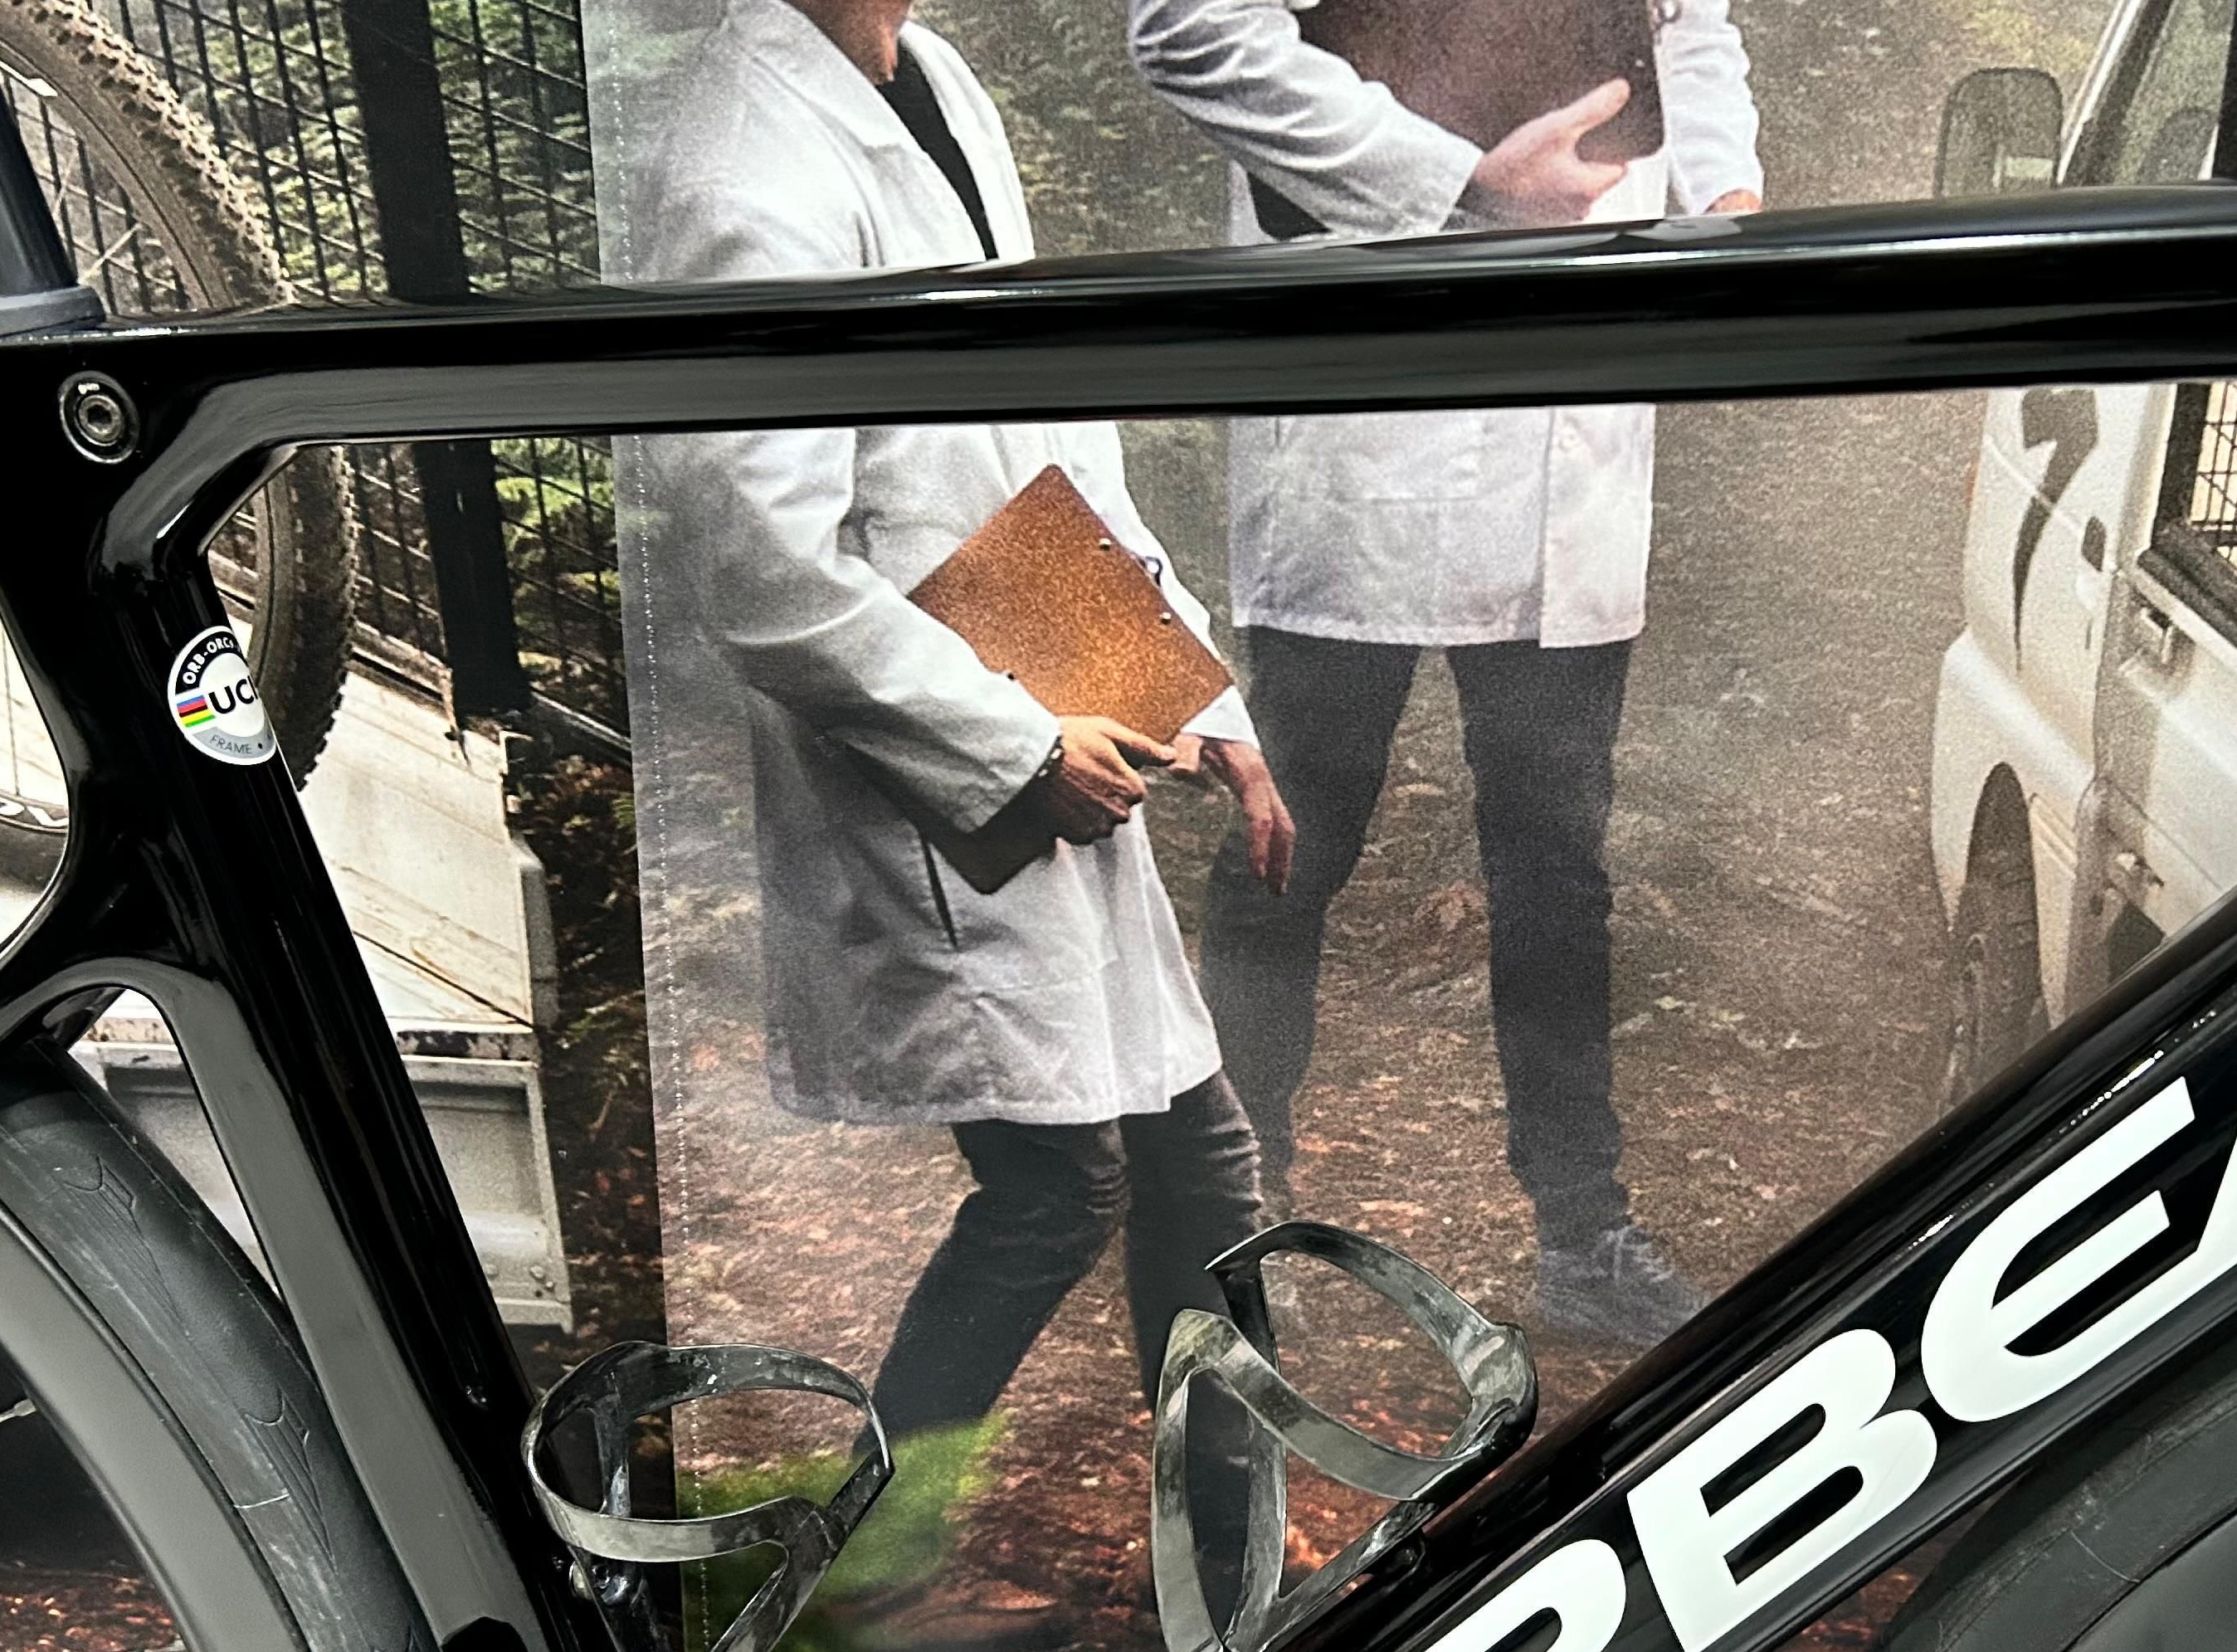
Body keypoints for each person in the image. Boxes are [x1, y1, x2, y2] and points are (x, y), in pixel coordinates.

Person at [615, 0, 1299, 1442]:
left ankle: (1224, 1536)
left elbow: (1037, 447)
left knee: (1192, 1170)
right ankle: (869, 1553)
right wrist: (1014, 750)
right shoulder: (744, 165)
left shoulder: (928, 81)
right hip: (929, 766)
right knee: (1058, 1193)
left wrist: (1191, 696)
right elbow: (768, 573)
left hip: (1043, 682)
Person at [1127, 0, 1764, 1350]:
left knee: (1556, 863)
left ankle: (1581, 1232)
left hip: (1574, 409)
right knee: (1294, 837)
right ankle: (1228, 1218)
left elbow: (1692, 28)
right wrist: (1458, 181)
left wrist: (1725, 206)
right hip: (1373, 399)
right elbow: (1188, 30)